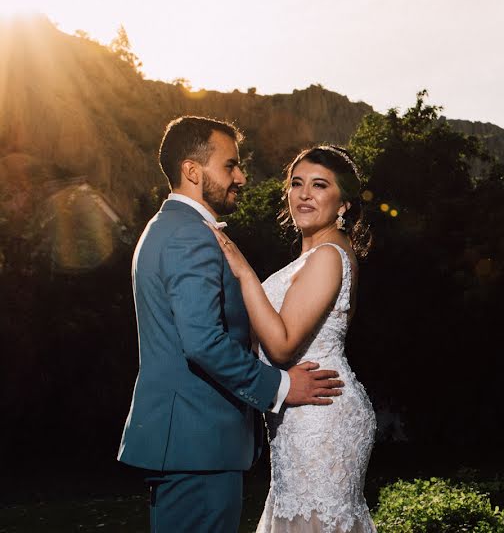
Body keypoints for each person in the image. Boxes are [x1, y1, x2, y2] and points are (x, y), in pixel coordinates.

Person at [118, 116, 344, 533]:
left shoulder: (170, 228)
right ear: (192, 171)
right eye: (230, 165)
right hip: (197, 445)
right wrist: (280, 386)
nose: (241, 176)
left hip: (188, 446)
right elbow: (203, 342)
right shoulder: (190, 236)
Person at [206, 145, 377, 533]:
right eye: (296, 183)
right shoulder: (310, 259)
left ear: (344, 204)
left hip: (321, 408)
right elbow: (263, 340)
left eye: (319, 185)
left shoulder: (329, 256)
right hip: (297, 410)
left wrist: (244, 273)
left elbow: (281, 345)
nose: (304, 194)